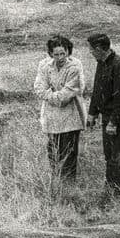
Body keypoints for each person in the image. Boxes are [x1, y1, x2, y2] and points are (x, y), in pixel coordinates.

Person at [33, 35, 86, 181]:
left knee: (68, 151)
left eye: (63, 53)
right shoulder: (44, 65)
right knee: (53, 150)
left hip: (71, 115)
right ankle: (56, 181)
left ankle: (68, 184)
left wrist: (50, 94)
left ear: (68, 51)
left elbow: (69, 92)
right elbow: (38, 88)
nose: (60, 57)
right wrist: (54, 96)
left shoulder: (75, 65)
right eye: (56, 54)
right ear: (50, 53)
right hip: (51, 116)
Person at [86, 33, 120, 194]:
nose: (90, 52)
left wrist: (114, 121)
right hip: (106, 117)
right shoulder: (101, 63)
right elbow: (97, 90)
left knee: (117, 156)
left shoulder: (119, 65)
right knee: (109, 155)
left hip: (116, 119)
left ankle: (119, 192)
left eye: (91, 49)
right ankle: (110, 188)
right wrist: (92, 113)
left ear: (99, 49)